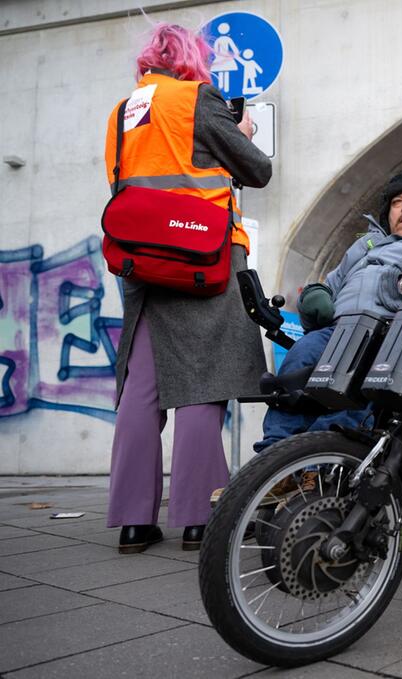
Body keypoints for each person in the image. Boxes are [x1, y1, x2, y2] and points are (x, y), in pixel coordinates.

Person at [104, 23, 271, 554]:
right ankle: (199, 517)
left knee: (142, 388)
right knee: (205, 380)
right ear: (192, 61)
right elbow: (258, 171)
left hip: (142, 259)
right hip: (205, 255)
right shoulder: (198, 99)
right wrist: (240, 130)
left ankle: (133, 520)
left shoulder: (121, 113)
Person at [253, 171, 402, 453]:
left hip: (391, 335)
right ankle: (272, 457)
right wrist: (316, 295)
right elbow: (330, 284)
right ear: (388, 213)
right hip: (336, 332)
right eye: (397, 202)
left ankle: (318, 462)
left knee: (354, 387)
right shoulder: (364, 246)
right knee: (300, 357)